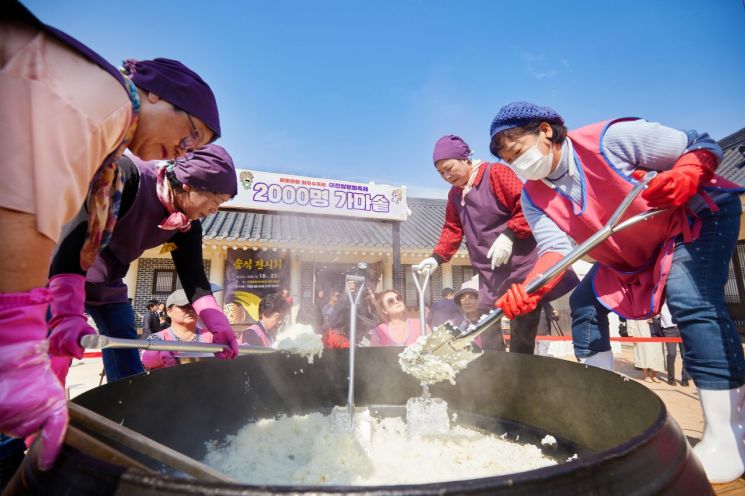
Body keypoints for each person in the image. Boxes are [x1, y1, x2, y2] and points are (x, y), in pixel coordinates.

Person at [0, 2, 223, 471]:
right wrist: (18, 339)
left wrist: (215, 320)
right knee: (27, 379)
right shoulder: (106, 103)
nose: (182, 150)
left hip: (96, 286)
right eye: (190, 136)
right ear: (158, 95)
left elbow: (190, 275)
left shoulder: (115, 153)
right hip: (37, 277)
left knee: (110, 361)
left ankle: (125, 424)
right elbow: (31, 201)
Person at [489, 101, 745, 483]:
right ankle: (602, 408)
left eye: (517, 148)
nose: (517, 162)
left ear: (545, 130)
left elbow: (699, 144)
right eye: (508, 159)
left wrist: (691, 169)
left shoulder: (610, 140)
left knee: (690, 299)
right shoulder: (534, 196)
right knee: (584, 303)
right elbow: (555, 252)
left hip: (691, 218)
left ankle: (729, 435)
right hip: (631, 250)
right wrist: (531, 288)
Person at [47, 145, 239, 383]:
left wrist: (219, 325)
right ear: (189, 184)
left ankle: (124, 414)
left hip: (108, 284)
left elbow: (195, 281)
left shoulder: (185, 224)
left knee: (126, 354)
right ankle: (39, 412)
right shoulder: (128, 175)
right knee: (51, 356)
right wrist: (65, 311)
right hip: (62, 273)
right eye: (215, 200)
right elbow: (73, 238)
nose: (214, 210)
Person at [415, 135, 576, 355]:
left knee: (522, 336)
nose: (446, 175)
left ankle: (521, 381)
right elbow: (452, 229)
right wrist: (436, 258)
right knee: (487, 329)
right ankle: (496, 379)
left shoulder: (496, 173)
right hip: (489, 274)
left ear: (464, 158)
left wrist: (509, 235)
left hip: (521, 269)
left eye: (449, 167)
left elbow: (525, 205)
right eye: (441, 173)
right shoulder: (455, 194)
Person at [140, 289, 214, 370]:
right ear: (169, 311)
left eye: (194, 306)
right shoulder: (159, 338)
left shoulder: (210, 337)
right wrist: (158, 354)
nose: (191, 310)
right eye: (184, 306)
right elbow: (144, 358)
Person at [658, 303, 690, 387]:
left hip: (682, 328)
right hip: (669, 330)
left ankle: (685, 378)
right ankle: (671, 378)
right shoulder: (660, 301)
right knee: (672, 354)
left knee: (685, 354)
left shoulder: (678, 299)